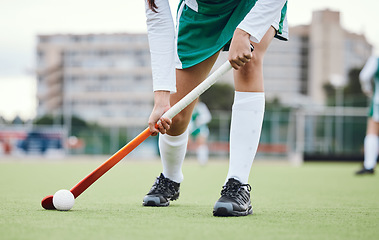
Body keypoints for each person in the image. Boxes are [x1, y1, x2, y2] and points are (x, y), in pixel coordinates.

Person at [143, 0, 288, 216]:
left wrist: (245, 31)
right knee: (176, 117)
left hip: (252, 3)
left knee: (249, 62)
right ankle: (170, 177)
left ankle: (237, 183)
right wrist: (161, 97)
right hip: (202, 11)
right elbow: (158, 18)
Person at [356, 56, 379, 175]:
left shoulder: (376, 60)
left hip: (378, 102)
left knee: (372, 131)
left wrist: (367, 88)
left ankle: (369, 165)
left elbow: (364, 76)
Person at [188, 100, 212, 165]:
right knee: (186, 143)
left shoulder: (201, 106)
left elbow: (208, 117)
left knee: (201, 143)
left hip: (201, 128)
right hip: (190, 129)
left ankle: (203, 160)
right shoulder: (189, 107)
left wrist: (199, 120)